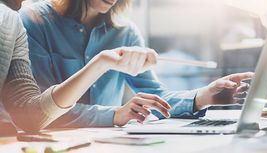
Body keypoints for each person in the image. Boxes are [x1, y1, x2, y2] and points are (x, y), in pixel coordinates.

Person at [20, 0, 253, 128]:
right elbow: (39, 109)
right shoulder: (33, 22)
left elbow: (154, 95)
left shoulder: (126, 32)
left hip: (105, 144)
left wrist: (203, 97)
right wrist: (114, 115)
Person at [0, 0, 170, 134]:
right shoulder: (31, 20)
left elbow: (30, 113)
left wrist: (197, 100)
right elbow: (34, 116)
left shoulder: (13, 21)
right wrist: (114, 114)